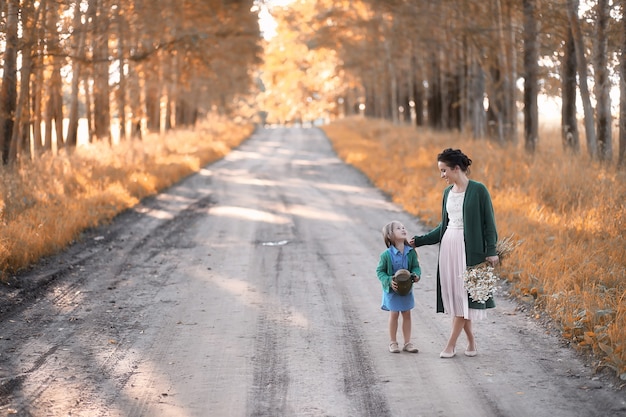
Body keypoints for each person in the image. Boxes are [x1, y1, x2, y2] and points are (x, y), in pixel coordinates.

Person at [410, 148, 498, 358]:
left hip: (469, 251)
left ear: (456, 168)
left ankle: (450, 345)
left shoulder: (478, 190)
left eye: (444, 171)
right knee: (457, 299)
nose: (442, 176)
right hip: (449, 248)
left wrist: (492, 251)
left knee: (463, 297)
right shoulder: (447, 193)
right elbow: (443, 226)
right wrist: (419, 241)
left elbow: (489, 223)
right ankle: (471, 343)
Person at [376, 221, 422, 353]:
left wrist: (416, 275)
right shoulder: (386, 255)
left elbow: (415, 267)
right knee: (394, 314)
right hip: (392, 290)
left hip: (406, 290)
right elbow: (380, 271)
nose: (403, 229)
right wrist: (389, 280)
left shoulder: (410, 252)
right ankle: (393, 342)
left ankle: (407, 343)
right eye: (398, 228)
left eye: (403, 227)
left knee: (407, 313)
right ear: (390, 235)